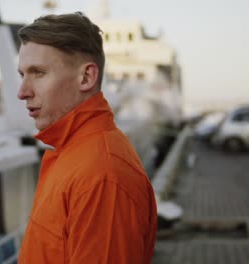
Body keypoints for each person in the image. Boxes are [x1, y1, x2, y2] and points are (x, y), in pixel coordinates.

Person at [17, 12, 157, 263]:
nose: (22, 92)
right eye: (22, 75)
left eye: (38, 72)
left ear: (86, 77)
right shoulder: (73, 154)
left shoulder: (102, 174)